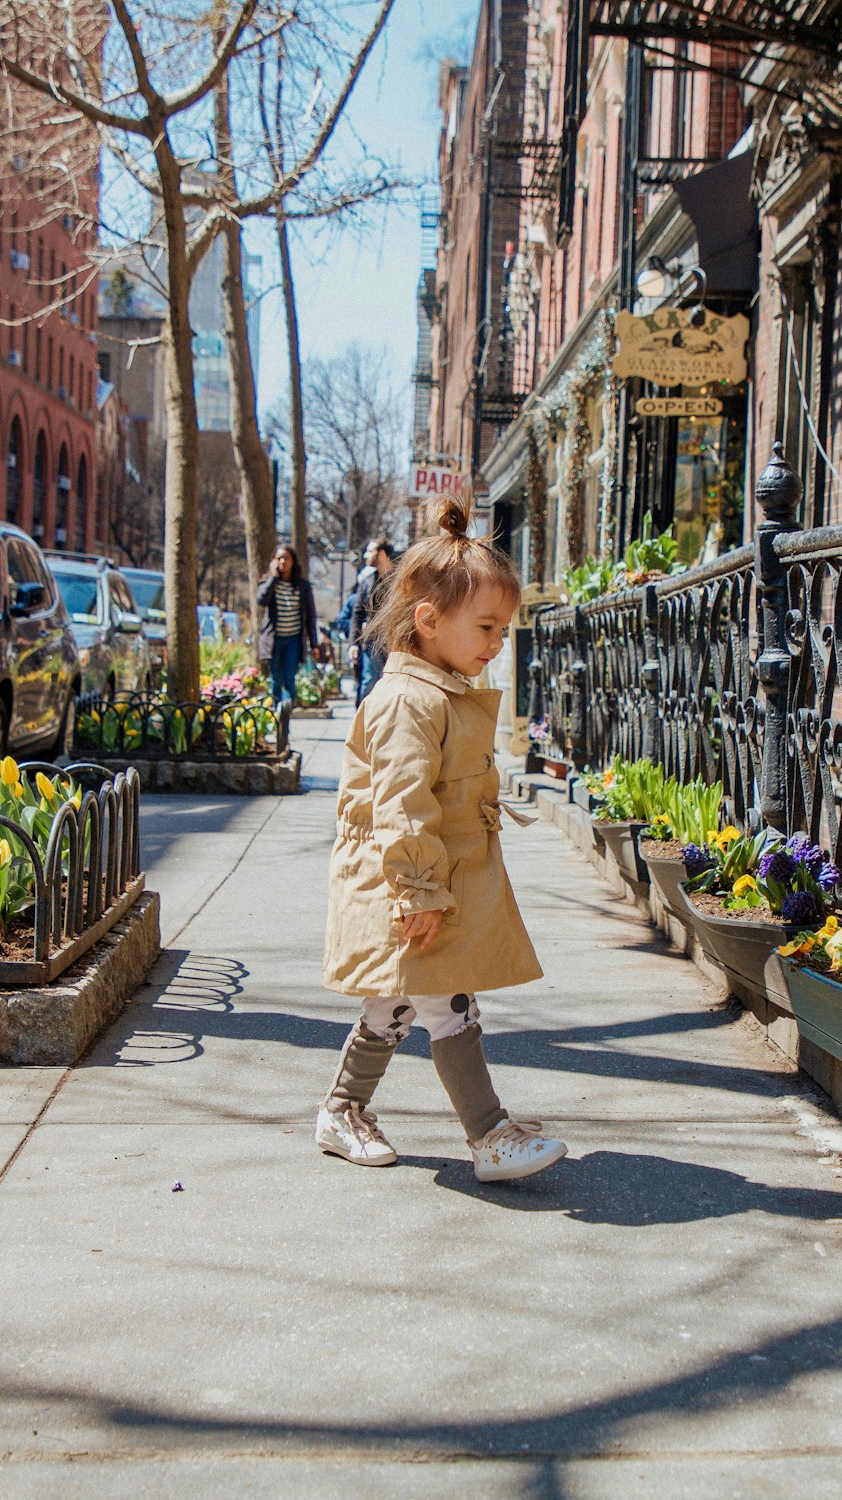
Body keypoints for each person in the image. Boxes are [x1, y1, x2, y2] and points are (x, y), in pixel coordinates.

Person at [317, 490, 568, 1183]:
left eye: (502, 630)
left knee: (396, 1000)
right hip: (414, 885)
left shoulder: (439, 691)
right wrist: (418, 891)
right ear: (427, 621)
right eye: (485, 628)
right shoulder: (408, 700)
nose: (496, 644)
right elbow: (401, 805)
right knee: (447, 1001)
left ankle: (342, 1109)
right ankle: (488, 1136)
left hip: (435, 880)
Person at [256, 544, 318, 707]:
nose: (282, 561)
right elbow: (261, 600)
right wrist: (274, 577)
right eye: (279, 558)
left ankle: (287, 714)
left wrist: (314, 644)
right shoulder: (267, 582)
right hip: (274, 640)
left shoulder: (302, 586)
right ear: (273, 562)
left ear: (293, 561)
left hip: (293, 640)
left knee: (289, 678)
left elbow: (310, 617)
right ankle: (278, 717)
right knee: (276, 680)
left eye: (286, 558)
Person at [348, 538, 394, 703]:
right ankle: (363, 724)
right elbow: (357, 614)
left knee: (390, 683)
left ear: (381, 554)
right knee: (368, 682)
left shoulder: (399, 581)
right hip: (371, 642)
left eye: (370, 551)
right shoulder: (367, 582)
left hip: (393, 642)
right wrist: (354, 643)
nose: (366, 555)